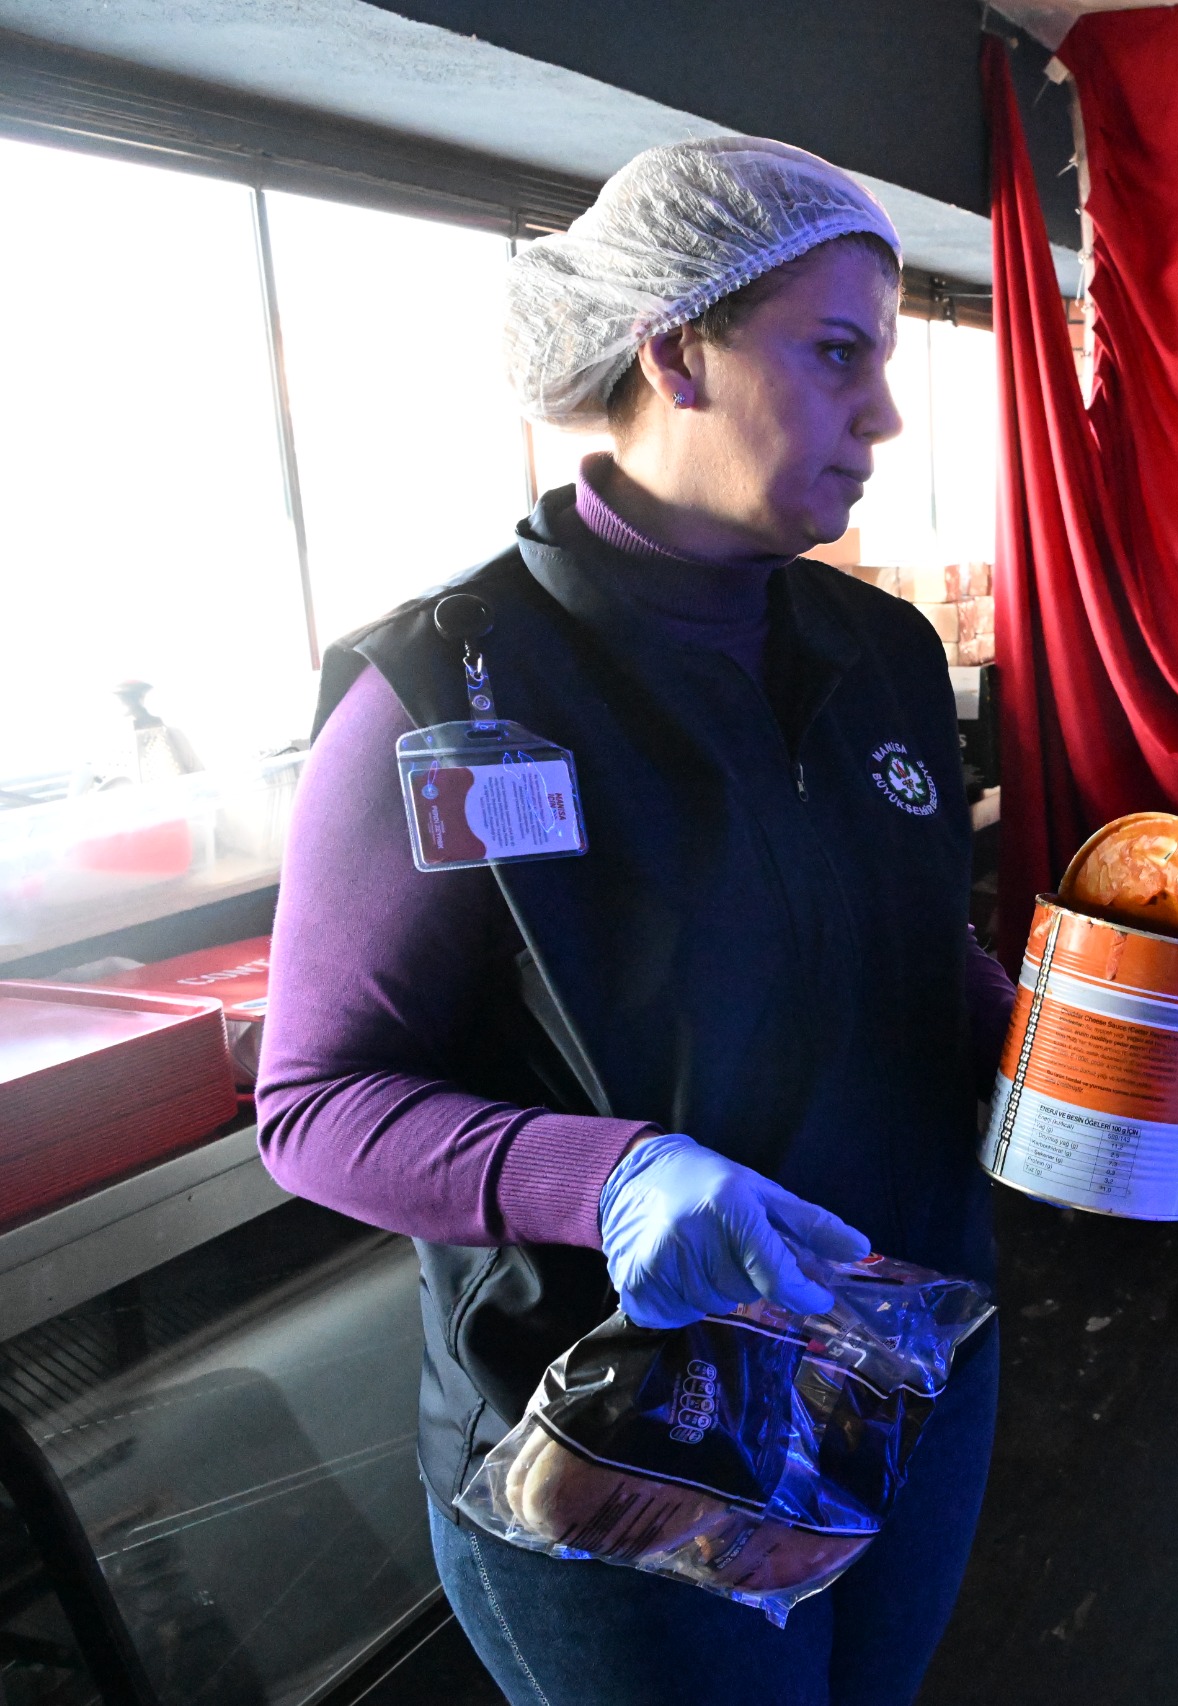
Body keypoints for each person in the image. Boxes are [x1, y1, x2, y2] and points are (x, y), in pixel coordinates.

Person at [256, 138, 1018, 1706]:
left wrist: (1054, 1034)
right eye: (834, 353)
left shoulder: (875, 649)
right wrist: (609, 1175)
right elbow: (314, 1104)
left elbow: (897, 948)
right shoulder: (455, 686)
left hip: (899, 1366)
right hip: (625, 1435)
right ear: (675, 347)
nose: (881, 412)